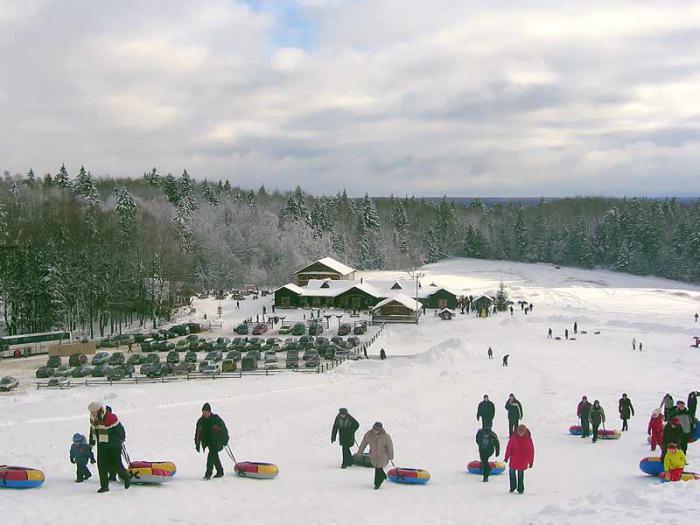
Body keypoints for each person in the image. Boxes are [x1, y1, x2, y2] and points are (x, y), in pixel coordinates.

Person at [88, 402, 131, 493]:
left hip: (113, 444)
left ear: (98, 410)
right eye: (91, 411)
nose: (92, 413)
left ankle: (126, 476)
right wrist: (92, 441)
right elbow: (93, 429)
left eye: (93, 411)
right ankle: (104, 486)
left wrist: (122, 438)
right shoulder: (93, 418)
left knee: (116, 464)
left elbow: (120, 429)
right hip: (102, 443)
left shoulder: (110, 417)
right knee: (101, 465)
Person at [194, 403, 229, 480]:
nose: (204, 414)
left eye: (206, 412)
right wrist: (197, 444)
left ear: (210, 412)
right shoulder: (201, 421)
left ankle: (208, 474)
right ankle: (220, 471)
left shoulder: (216, 418)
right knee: (214, 456)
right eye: (203, 412)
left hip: (217, 441)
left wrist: (225, 439)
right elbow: (197, 433)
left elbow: (224, 429)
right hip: (208, 442)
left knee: (210, 457)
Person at [358, 422, 394, 490]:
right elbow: (363, 443)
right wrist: (360, 452)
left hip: (382, 455)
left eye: (377, 430)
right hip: (373, 455)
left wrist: (390, 456)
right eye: (374, 429)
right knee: (377, 467)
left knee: (378, 469)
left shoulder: (386, 437)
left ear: (380, 430)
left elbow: (390, 447)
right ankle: (383, 476)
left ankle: (377, 483)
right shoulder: (369, 435)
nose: (375, 431)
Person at [504, 424, 534, 494]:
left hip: (523, 460)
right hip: (514, 458)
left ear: (525, 432)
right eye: (519, 432)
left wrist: (530, 461)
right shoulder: (513, 437)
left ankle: (520, 489)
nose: (520, 434)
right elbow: (509, 448)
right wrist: (506, 457)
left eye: (522, 432)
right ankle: (512, 487)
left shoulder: (528, 439)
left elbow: (531, 451)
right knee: (511, 472)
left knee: (520, 474)